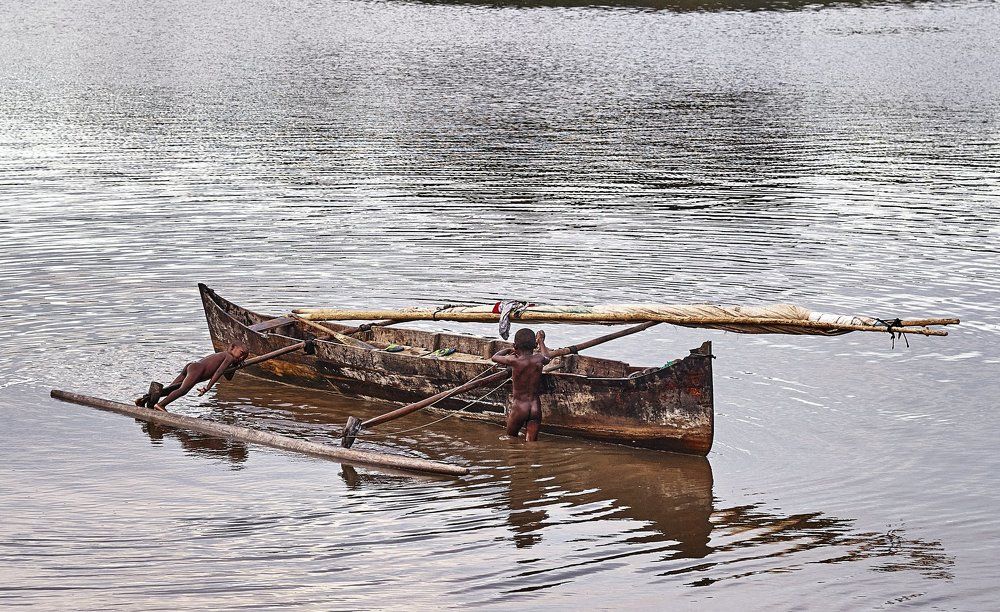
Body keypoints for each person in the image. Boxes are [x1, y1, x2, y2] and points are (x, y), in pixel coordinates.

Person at [135, 343, 249, 411]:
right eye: (241, 353)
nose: (242, 357)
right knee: (183, 390)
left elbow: (227, 376)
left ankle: (145, 399)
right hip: (197, 370)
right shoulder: (228, 356)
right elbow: (218, 372)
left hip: (192, 367)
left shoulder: (228, 359)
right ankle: (160, 405)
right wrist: (207, 387)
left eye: (245, 357)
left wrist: (236, 366)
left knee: (174, 388)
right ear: (233, 347)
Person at [491, 328, 552, 441]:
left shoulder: (514, 360)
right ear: (534, 345)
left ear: (515, 345)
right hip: (535, 407)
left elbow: (494, 357)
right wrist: (541, 341)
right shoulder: (539, 359)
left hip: (520, 407)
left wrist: (508, 349)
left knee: (510, 438)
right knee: (531, 443)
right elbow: (547, 357)